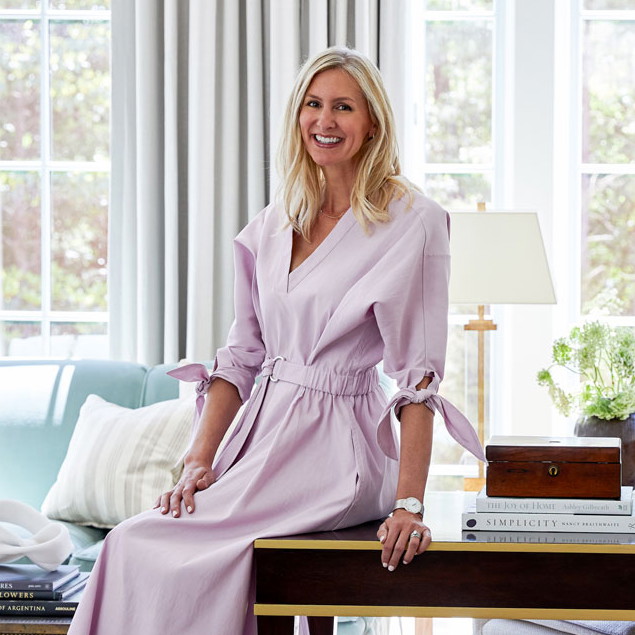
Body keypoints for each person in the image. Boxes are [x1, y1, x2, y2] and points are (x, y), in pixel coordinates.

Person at [68, 46, 484, 635]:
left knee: (176, 554)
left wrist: (410, 504)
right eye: (312, 105)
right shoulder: (275, 220)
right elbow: (240, 356)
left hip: (340, 449)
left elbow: (417, 380)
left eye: (343, 106)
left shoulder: (412, 220)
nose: (325, 120)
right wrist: (197, 460)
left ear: (372, 123)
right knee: (131, 543)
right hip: (263, 438)